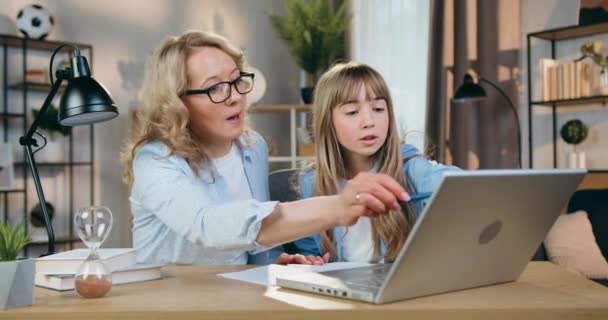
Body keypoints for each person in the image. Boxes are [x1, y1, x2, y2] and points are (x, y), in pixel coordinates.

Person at [121, 31, 409, 266]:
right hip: (167, 304)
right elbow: (207, 225)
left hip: (234, 302)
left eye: (236, 80)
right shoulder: (155, 160)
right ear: (178, 103)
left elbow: (252, 247)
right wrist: (338, 205)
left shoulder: (252, 147)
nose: (235, 97)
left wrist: (275, 262)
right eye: (215, 88)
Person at [292, 62, 460, 263]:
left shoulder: (410, 167)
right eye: (352, 112)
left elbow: (461, 185)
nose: (369, 121)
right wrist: (309, 261)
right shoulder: (311, 182)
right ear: (327, 122)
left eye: (379, 108)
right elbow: (308, 251)